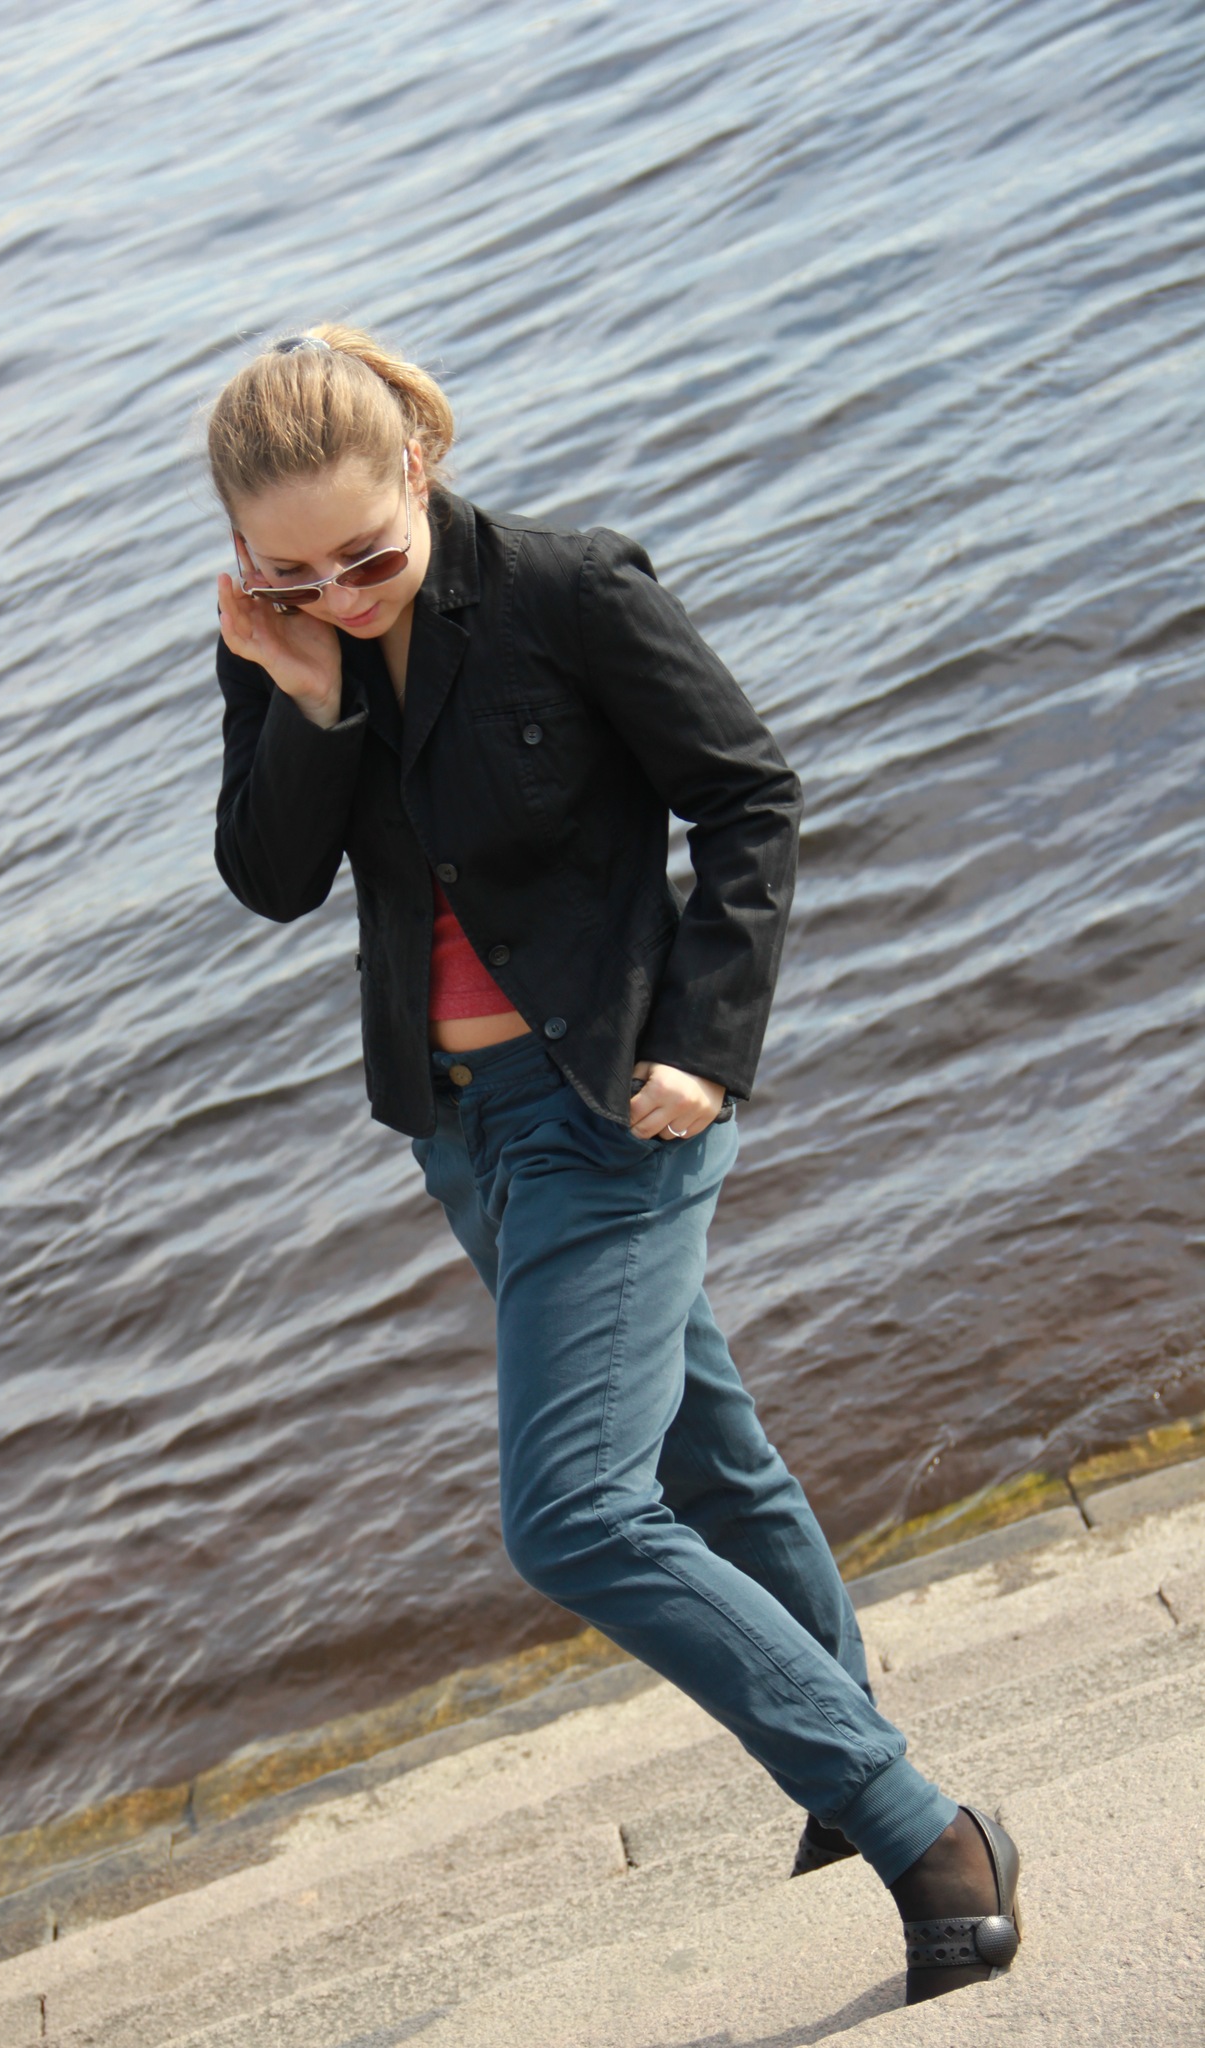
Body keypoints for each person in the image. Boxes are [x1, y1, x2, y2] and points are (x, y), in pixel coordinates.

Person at [204, 323, 1021, 2005]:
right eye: (293, 570)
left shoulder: (567, 592)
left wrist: (706, 1050)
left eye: (367, 558)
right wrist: (307, 703)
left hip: (611, 1102)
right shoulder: (285, 641)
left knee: (573, 1513)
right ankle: (845, 1754)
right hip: (457, 1131)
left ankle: (921, 1828)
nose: (337, 593)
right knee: (707, 1455)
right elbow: (271, 881)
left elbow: (747, 798)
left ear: (418, 467)